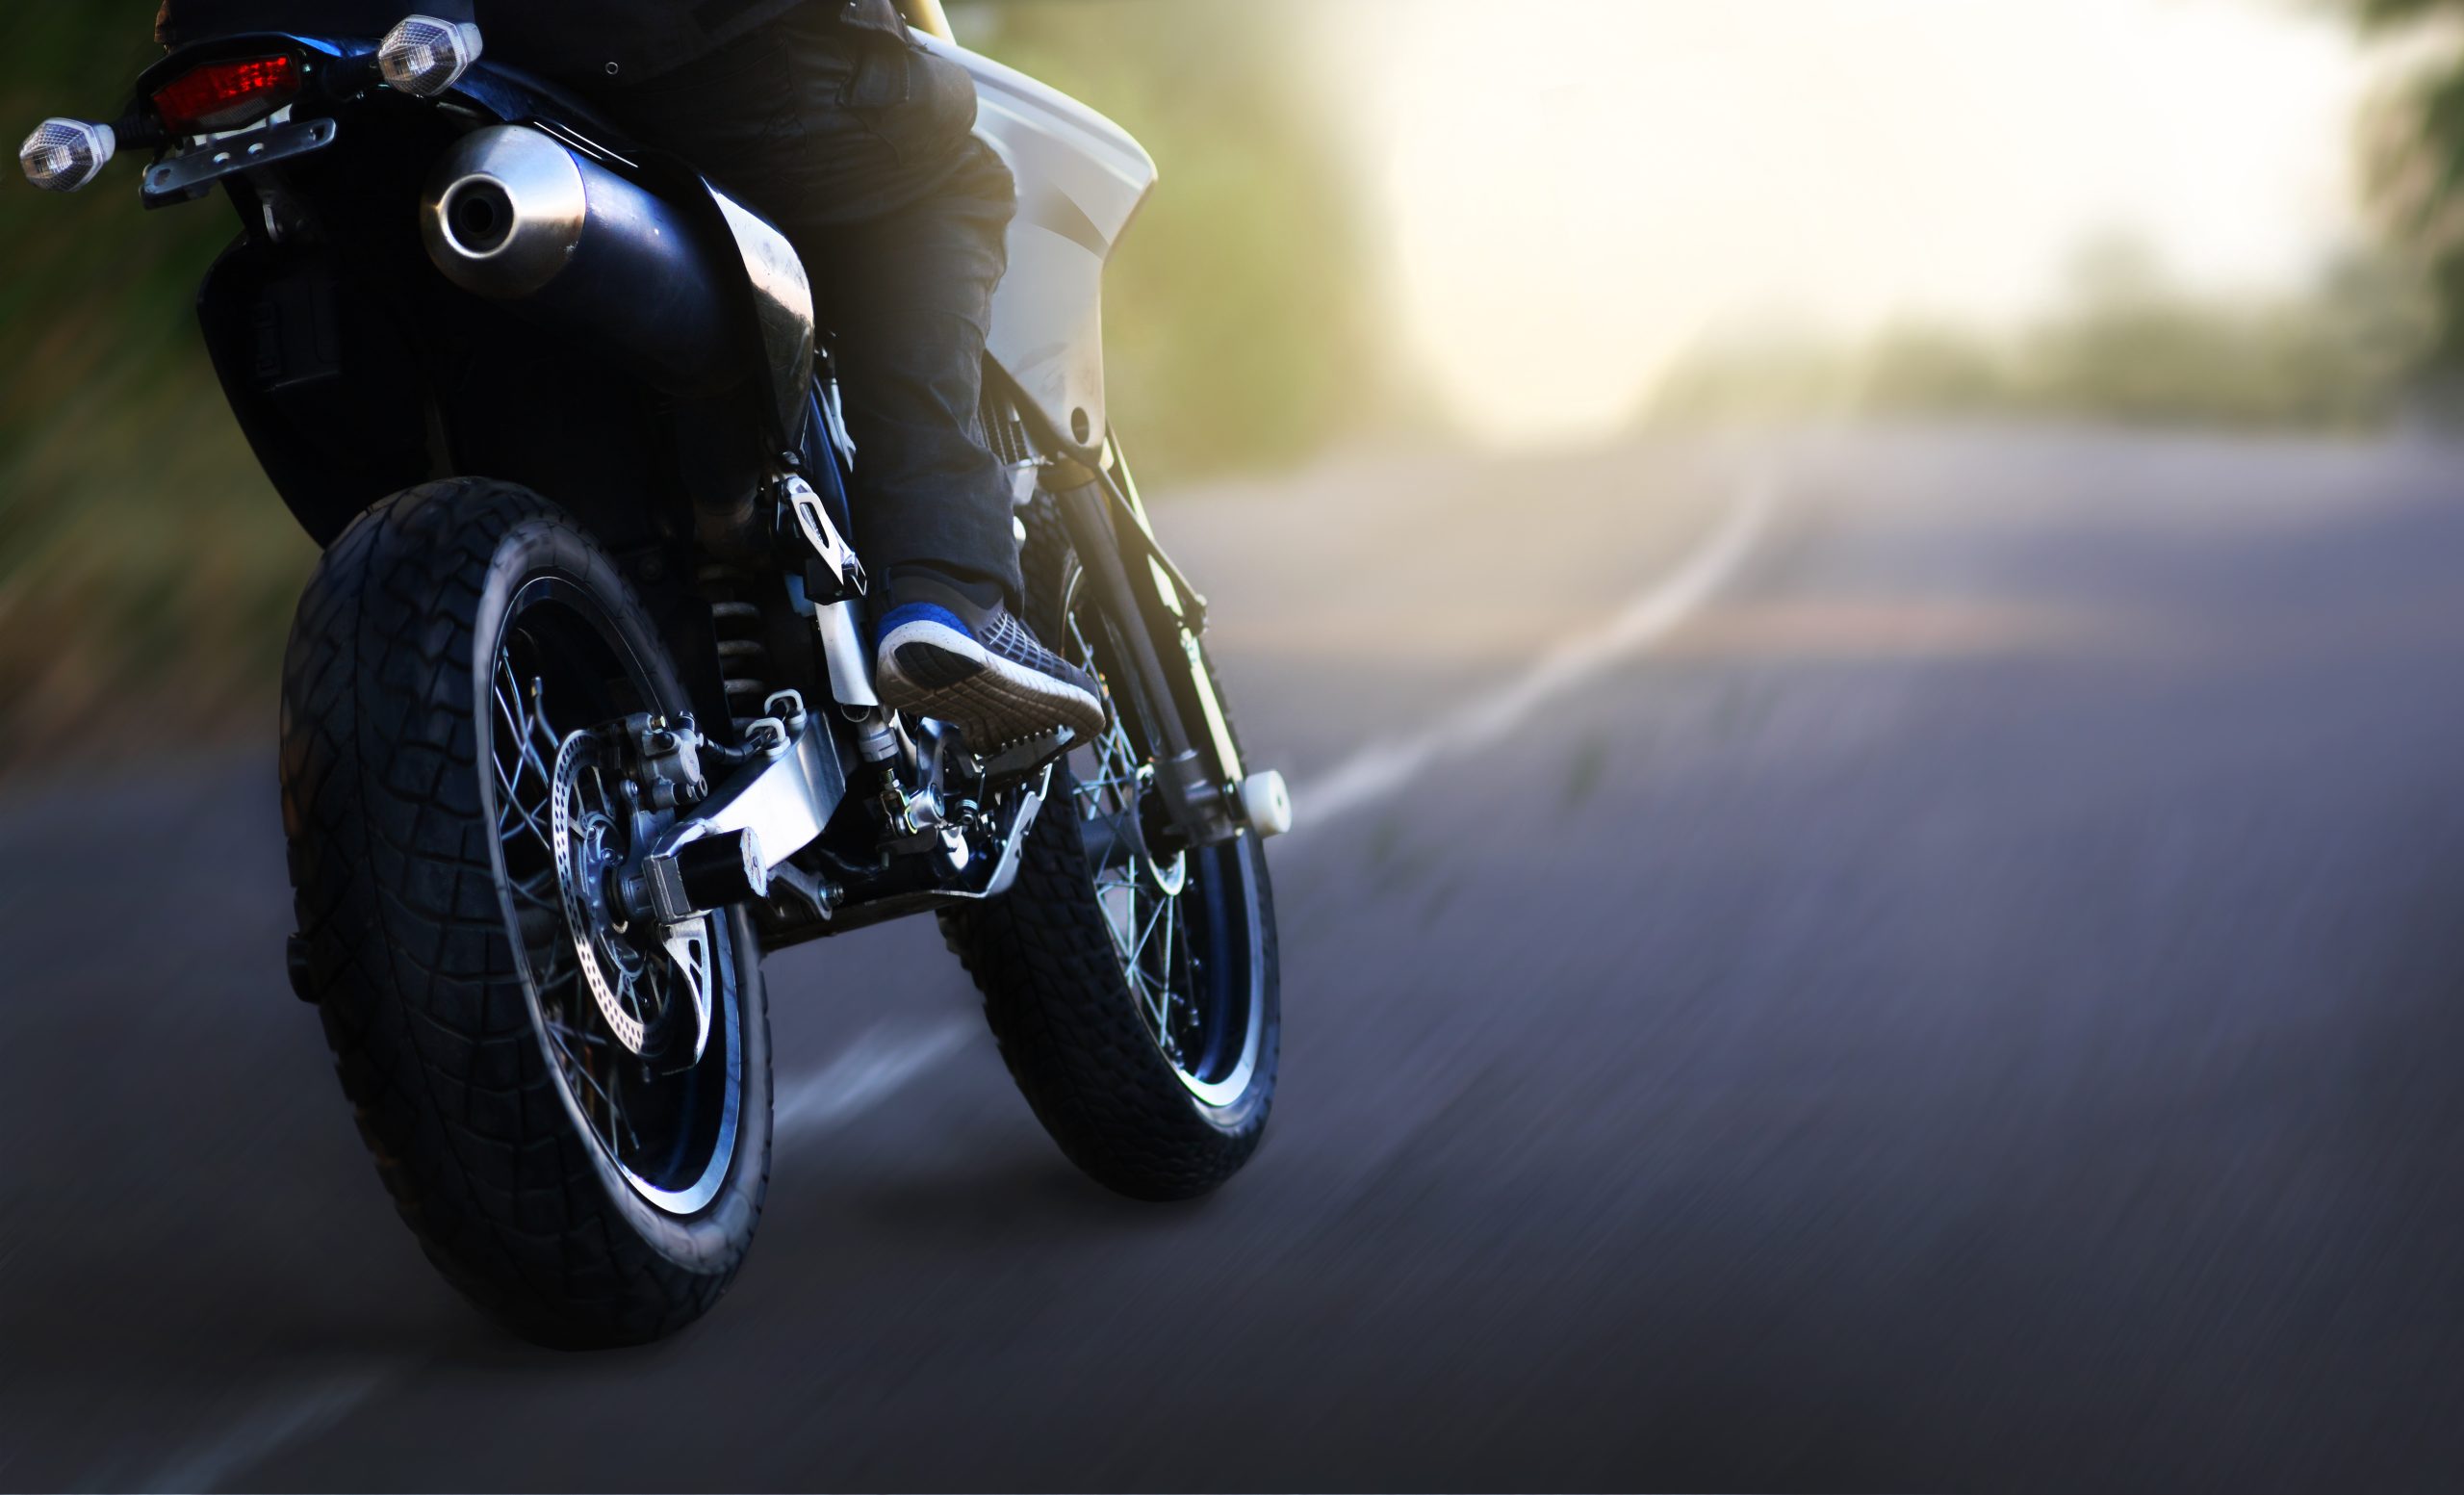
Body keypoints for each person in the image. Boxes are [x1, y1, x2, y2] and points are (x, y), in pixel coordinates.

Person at [158, 0, 1107, 748]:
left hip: (304, 59)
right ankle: (947, 576)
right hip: (623, 40)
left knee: (500, 334)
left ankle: (599, 689)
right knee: (945, 174)